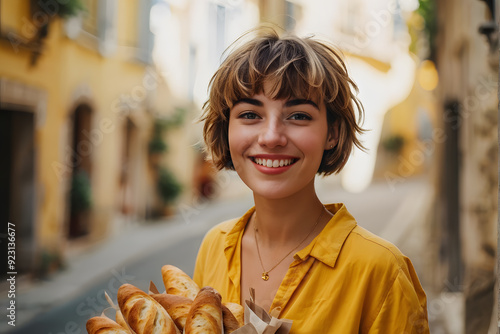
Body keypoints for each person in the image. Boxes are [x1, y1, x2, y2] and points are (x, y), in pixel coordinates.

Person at [193, 28, 429, 333]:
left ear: (331, 133)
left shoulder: (380, 270)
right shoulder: (214, 246)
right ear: (227, 129)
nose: (271, 137)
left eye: (299, 116)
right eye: (251, 115)